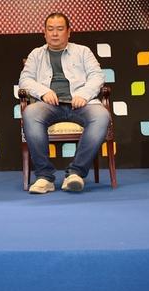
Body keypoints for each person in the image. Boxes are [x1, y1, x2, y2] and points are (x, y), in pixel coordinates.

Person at [19, 12, 110, 194]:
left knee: (102, 116)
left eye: (60, 29)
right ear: (44, 33)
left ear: (69, 32)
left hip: (81, 105)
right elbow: (25, 79)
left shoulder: (83, 52)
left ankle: (75, 173)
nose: (55, 33)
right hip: (49, 106)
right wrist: (43, 92)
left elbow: (97, 76)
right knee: (30, 112)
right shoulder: (36, 54)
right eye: (50, 29)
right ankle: (45, 177)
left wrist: (83, 94)